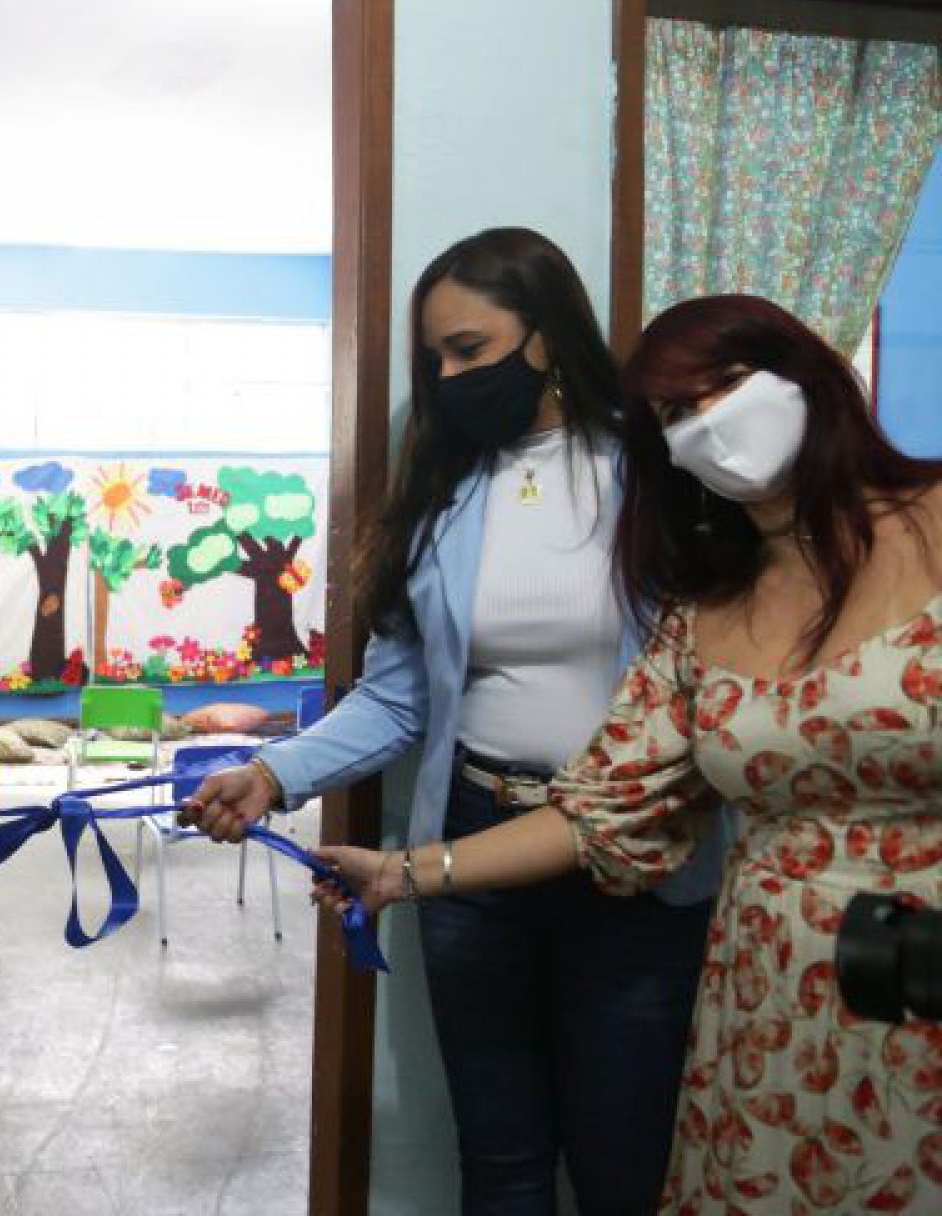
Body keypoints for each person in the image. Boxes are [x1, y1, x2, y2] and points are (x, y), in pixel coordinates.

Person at [311, 294, 942, 1215]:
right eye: (676, 416)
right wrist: (397, 873)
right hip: (774, 999)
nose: (708, 427)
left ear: (806, 373)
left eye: (725, 388)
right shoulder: (702, 614)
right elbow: (598, 811)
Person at [183, 228, 720, 1215]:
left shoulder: (658, 474)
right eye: (435, 358)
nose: (446, 375)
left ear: (547, 337)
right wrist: (273, 772)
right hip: (472, 848)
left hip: (634, 857)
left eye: (469, 348)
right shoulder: (445, 494)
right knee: (502, 1157)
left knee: (626, 1162)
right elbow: (399, 696)